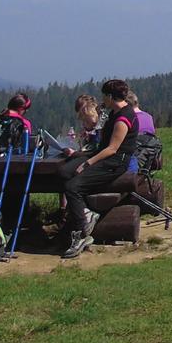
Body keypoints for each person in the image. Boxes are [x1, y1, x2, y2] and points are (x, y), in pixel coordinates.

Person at [58, 79, 139, 259]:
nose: (102, 99)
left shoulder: (124, 118)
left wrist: (87, 163)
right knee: (63, 172)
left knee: (72, 187)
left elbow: (112, 149)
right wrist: (79, 155)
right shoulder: (113, 112)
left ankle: (83, 228)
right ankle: (81, 212)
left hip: (114, 162)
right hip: (101, 153)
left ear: (110, 96)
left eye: (104, 95)